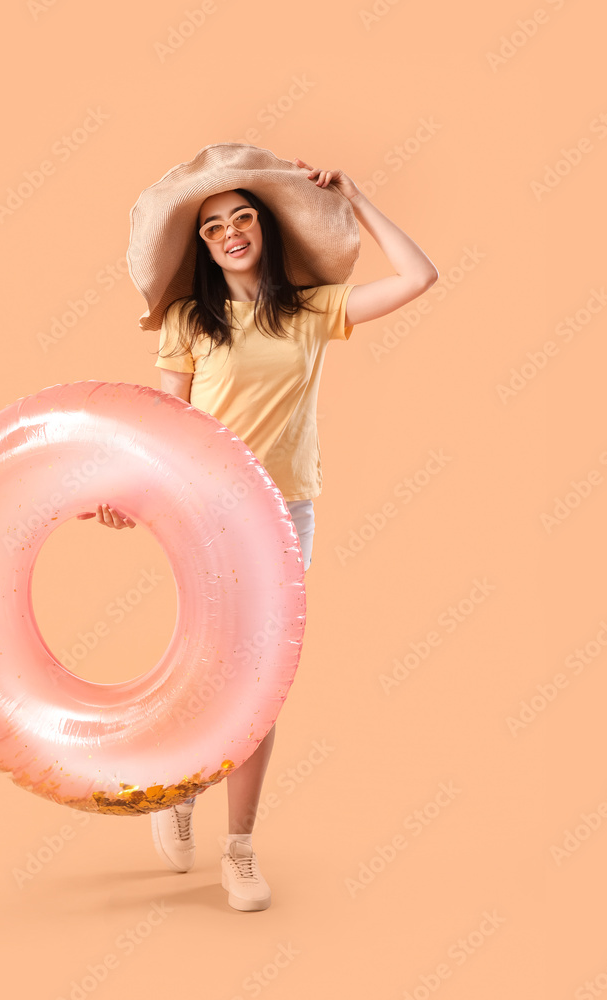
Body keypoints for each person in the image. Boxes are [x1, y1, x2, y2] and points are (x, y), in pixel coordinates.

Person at [85, 143, 438, 911]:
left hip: (283, 517)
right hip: (204, 513)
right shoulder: (188, 320)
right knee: (212, 674)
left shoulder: (311, 312)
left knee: (259, 687)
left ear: (265, 229)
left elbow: (419, 278)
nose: (231, 231)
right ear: (203, 246)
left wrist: (358, 197)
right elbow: (166, 423)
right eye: (213, 226)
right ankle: (183, 793)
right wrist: (126, 497)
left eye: (243, 216)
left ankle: (238, 850)